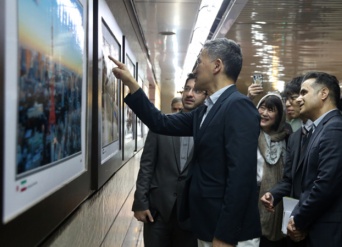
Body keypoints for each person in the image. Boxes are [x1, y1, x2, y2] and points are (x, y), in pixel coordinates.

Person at [109, 38, 261, 247]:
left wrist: (226, 235)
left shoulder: (237, 106)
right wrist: (132, 84)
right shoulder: (207, 110)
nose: (196, 68)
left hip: (228, 233)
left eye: (200, 62)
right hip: (209, 226)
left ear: (217, 66)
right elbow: (160, 123)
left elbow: (241, 177)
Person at [285, 72, 342, 247]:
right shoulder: (323, 127)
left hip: (332, 233)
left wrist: (298, 220)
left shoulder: (336, 129)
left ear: (323, 94)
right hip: (320, 227)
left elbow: (325, 185)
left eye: (304, 93)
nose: (298, 99)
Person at [132, 73, 206, 247]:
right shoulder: (162, 124)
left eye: (196, 90)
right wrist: (140, 202)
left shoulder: (208, 128)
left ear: (206, 96)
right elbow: (147, 165)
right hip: (158, 211)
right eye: (187, 88)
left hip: (191, 214)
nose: (189, 94)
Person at [260, 76, 311, 247]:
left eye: (294, 97)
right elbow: (289, 178)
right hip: (289, 209)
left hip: (310, 214)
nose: (289, 103)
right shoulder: (296, 137)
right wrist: (273, 195)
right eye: (287, 99)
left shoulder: (291, 136)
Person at [255, 92, 288, 247]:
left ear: (279, 115)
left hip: (275, 199)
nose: (265, 113)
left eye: (271, 109)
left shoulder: (287, 138)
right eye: (262, 108)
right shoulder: (250, 134)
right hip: (251, 196)